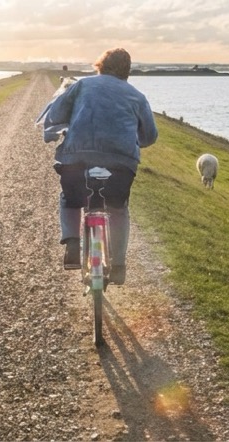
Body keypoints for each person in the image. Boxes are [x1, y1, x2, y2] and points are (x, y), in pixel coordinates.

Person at [36, 47, 158, 285]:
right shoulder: (137, 96)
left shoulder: (82, 86)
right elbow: (150, 136)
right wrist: (134, 142)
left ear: (100, 64)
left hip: (77, 158)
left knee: (70, 199)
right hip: (120, 164)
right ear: (127, 71)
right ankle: (120, 265)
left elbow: (58, 111)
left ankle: (72, 244)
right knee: (118, 208)